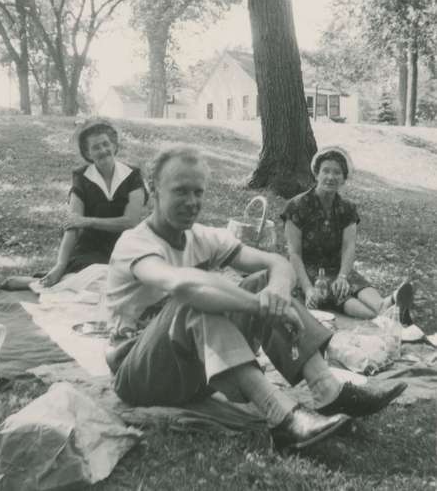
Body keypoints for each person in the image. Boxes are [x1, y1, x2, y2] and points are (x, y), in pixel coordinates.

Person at [105, 144, 406, 453]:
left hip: (199, 371)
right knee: (195, 302)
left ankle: (327, 391)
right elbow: (184, 286)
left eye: (198, 192)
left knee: (262, 281)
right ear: (153, 189)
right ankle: (282, 417)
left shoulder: (203, 236)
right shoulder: (135, 242)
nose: (192, 202)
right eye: (180, 191)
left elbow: (277, 263)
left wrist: (275, 292)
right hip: (141, 375)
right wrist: (259, 305)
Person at [281, 146, 413, 324]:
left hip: (337, 266)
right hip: (307, 269)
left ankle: (383, 304)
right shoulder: (296, 206)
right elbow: (294, 253)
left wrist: (343, 276)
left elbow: (348, 247)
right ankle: (382, 315)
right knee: (333, 291)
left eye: (337, 173)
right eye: (325, 171)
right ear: (316, 174)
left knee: (352, 283)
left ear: (343, 178)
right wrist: (307, 288)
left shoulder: (348, 208)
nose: (330, 177)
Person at [40, 118, 148, 288]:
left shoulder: (132, 176)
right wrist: (60, 265)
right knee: (97, 276)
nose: (103, 150)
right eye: (96, 147)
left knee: (124, 281)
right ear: (88, 153)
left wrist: (89, 221)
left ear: (114, 145)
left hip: (124, 246)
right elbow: (73, 225)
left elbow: (131, 222)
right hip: (90, 249)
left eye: (106, 144)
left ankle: (38, 284)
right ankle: (57, 281)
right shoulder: (81, 178)